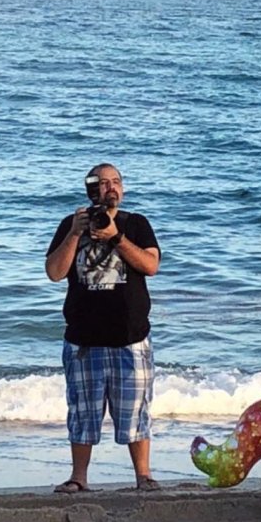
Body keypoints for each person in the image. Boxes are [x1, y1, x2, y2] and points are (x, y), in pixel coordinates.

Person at [45, 162, 161, 493]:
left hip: (130, 337)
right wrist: (74, 233)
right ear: (91, 189)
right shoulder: (71, 225)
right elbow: (54, 272)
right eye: (104, 182)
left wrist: (116, 237)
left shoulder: (135, 223)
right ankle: (78, 477)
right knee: (82, 413)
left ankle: (143, 476)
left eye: (116, 182)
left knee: (136, 411)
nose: (111, 188)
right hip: (83, 339)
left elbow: (151, 265)